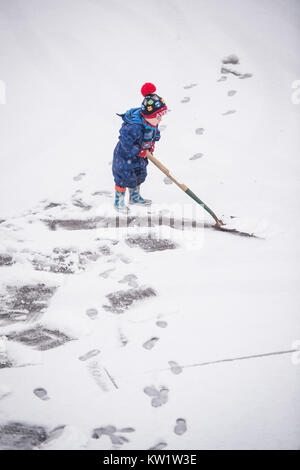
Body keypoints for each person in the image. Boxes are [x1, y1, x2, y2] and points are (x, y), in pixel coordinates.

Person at [112, 82, 167, 212]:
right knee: (124, 178)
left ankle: (134, 198)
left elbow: (154, 133)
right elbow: (126, 145)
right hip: (124, 158)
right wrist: (139, 150)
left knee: (139, 175)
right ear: (149, 116)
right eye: (158, 117)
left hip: (141, 156)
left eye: (161, 117)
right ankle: (118, 202)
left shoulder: (151, 123)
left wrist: (154, 140)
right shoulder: (133, 127)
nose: (160, 121)